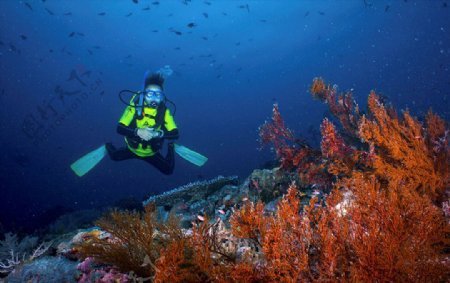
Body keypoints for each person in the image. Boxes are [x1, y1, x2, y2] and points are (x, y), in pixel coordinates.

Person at [106, 73, 179, 175]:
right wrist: (138, 132)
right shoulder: (135, 106)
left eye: (158, 94)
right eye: (149, 94)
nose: (154, 98)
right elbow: (119, 128)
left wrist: (157, 134)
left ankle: (171, 147)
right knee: (114, 156)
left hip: (151, 153)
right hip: (132, 149)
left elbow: (175, 133)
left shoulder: (164, 112)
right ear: (144, 94)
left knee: (168, 170)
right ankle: (107, 145)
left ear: (162, 97)